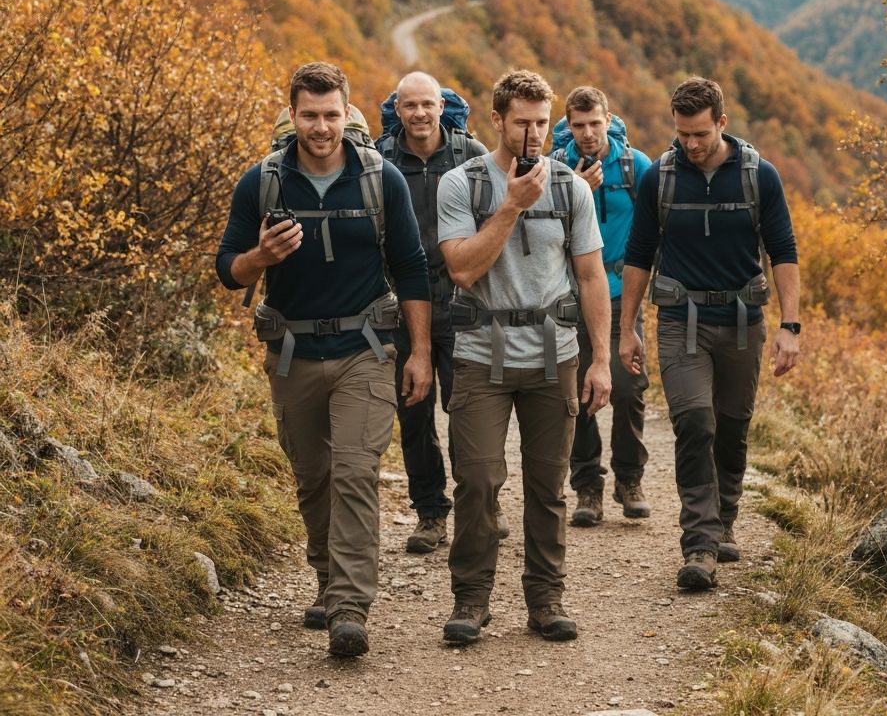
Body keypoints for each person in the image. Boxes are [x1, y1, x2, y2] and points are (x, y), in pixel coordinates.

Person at [216, 62, 431, 658]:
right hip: (291, 354)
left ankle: (349, 608)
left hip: (365, 350)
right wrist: (259, 257)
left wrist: (420, 354)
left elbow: (412, 268)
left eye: (331, 114)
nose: (321, 126)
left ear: (347, 113)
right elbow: (227, 271)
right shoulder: (260, 182)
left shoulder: (378, 178)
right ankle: (327, 579)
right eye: (309, 115)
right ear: (292, 115)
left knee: (355, 471)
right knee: (313, 478)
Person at [435, 69, 612, 644]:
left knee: (548, 483)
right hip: (479, 354)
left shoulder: (572, 189)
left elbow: (590, 277)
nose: (534, 133)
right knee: (479, 479)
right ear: (498, 120)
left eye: (542, 122)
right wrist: (510, 206)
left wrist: (601, 359)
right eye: (522, 123)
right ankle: (471, 600)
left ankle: (545, 598)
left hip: (553, 353)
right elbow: (461, 268)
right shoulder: (462, 184)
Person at [618, 76, 799, 591]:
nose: (691, 145)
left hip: (743, 323)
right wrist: (628, 329)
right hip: (680, 321)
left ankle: (724, 520)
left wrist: (790, 326)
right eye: (682, 135)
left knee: (731, 424)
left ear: (721, 122)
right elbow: (638, 254)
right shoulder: (662, 177)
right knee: (695, 421)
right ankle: (698, 542)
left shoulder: (759, 176)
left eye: (699, 134)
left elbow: (783, 250)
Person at [375, 72, 512, 553]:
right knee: (413, 415)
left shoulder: (469, 155)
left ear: (440, 106)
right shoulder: (381, 160)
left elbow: (501, 220)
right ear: (397, 109)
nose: (418, 113)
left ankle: (480, 506)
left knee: (469, 414)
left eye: (426, 104)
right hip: (400, 307)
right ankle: (430, 513)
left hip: (463, 306)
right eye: (408, 105)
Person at [549, 87, 654, 526]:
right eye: (579, 125)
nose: (588, 133)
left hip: (621, 294)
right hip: (571, 297)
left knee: (628, 389)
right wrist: (575, 189)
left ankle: (630, 479)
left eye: (596, 124)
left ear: (609, 119)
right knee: (576, 394)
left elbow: (653, 229)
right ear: (568, 125)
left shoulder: (637, 166)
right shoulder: (555, 168)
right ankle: (587, 487)